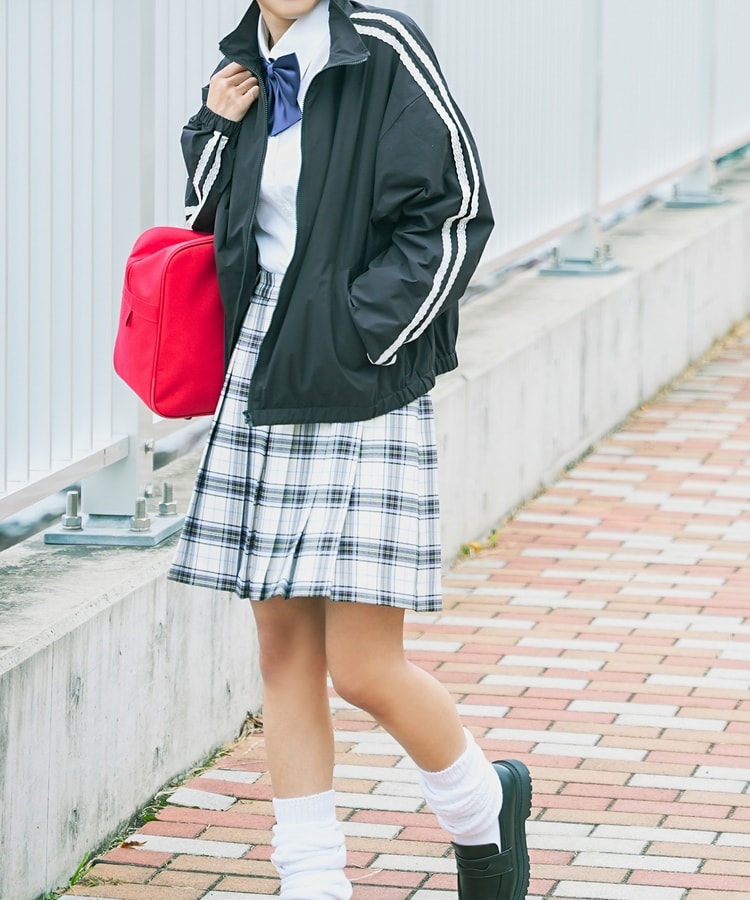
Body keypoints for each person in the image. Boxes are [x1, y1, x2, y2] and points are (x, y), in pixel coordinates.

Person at [168, 1, 532, 897]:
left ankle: (482, 806)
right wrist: (214, 125)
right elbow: (212, 221)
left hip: (358, 375)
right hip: (265, 367)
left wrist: (360, 334)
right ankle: (312, 879)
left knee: (365, 667)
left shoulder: (385, 48)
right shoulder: (240, 67)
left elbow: (455, 215)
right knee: (283, 648)